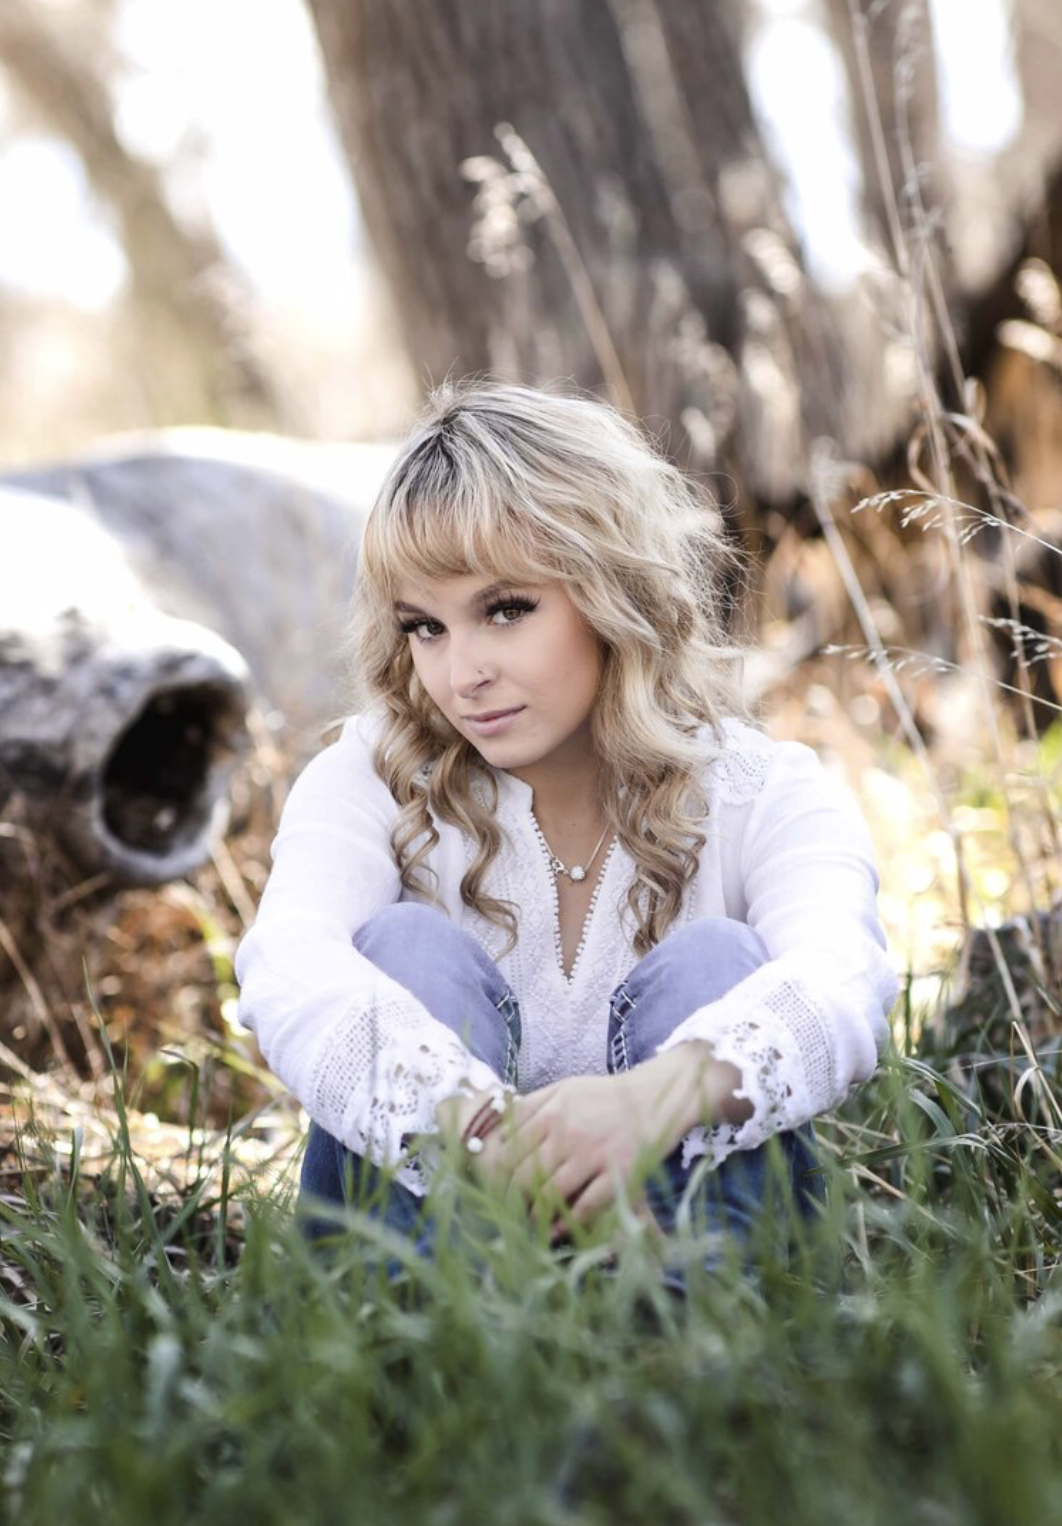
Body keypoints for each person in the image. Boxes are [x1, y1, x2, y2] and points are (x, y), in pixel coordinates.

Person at [234, 377, 898, 1284]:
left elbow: (845, 975)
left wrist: (650, 1103)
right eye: (424, 627)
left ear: (610, 590)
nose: (460, 673)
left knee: (717, 963)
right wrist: (480, 1128)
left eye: (506, 610)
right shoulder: (373, 779)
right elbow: (288, 963)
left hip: (684, 1261)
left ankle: (700, 1366)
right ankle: (421, 1369)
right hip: (429, 1257)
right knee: (400, 949)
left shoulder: (759, 789)